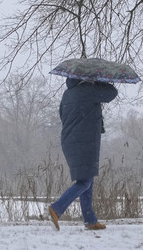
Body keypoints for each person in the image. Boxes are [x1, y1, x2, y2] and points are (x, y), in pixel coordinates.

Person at [48, 77, 117, 231]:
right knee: (84, 182)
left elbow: (62, 115)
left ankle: (90, 219)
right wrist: (99, 82)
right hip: (84, 142)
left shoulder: (68, 94)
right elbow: (112, 93)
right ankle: (57, 208)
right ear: (83, 78)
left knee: (87, 178)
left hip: (70, 140)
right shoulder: (88, 90)